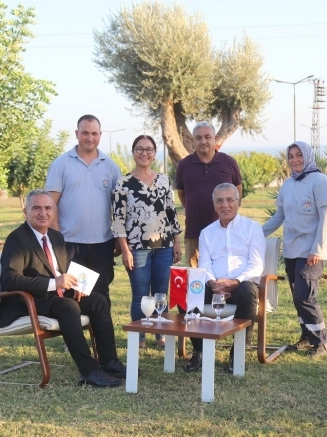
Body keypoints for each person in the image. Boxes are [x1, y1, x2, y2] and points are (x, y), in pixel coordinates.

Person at [0, 189, 127, 388]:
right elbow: (10, 279)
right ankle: (89, 371)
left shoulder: (56, 237)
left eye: (48, 208)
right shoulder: (17, 239)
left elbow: (64, 269)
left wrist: (77, 285)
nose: (43, 213)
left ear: (54, 211)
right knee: (68, 307)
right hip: (31, 300)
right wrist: (53, 283)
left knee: (98, 300)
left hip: (57, 298)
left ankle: (109, 362)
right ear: (26, 211)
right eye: (37, 208)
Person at [262, 141, 327, 357]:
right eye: (291, 156)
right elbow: (279, 217)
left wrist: (318, 249)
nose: (294, 160)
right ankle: (307, 336)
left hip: (311, 251)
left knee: (305, 297)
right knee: (297, 296)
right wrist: (254, 233)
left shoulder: (320, 181)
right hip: (291, 250)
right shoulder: (288, 184)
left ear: (308, 156)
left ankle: (322, 342)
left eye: (299, 155)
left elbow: (326, 218)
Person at [184, 183, 265, 373]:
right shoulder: (207, 233)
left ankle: (237, 352)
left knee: (247, 290)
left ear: (238, 203)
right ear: (214, 205)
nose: (225, 205)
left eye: (230, 200)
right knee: (191, 291)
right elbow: (204, 264)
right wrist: (213, 284)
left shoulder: (252, 228)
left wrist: (234, 282)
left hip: (242, 286)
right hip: (214, 287)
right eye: (219, 201)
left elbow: (256, 265)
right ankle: (199, 351)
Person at [112, 135, 182, 349]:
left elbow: (171, 212)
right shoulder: (123, 184)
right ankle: (139, 336)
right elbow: (118, 220)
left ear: (154, 152)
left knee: (161, 293)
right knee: (140, 295)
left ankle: (160, 334)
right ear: (133, 152)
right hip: (137, 248)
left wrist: (177, 242)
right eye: (140, 149)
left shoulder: (163, 180)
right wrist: (125, 250)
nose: (145, 153)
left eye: (149, 149)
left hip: (164, 247)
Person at [46, 114, 121, 307]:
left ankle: (102, 337)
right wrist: (57, 241)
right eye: (85, 133)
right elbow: (50, 204)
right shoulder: (61, 164)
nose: (90, 138)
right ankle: (76, 337)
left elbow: (120, 207)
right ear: (76, 134)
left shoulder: (111, 166)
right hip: (69, 244)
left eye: (94, 133)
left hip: (102, 244)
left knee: (101, 294)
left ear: (100, 135)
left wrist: (121, 239)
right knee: (73, 296)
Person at [175, 122, 243, 267]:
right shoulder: (184, 165)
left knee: (225, 273)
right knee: (197, 280)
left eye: (207, 137)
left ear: (215, 138)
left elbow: (238, 191)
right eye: (198, 138)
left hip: (225, 232)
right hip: (195, 233)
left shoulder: (229, 162)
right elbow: (182, 193)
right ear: (193, 141)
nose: (203, 141)